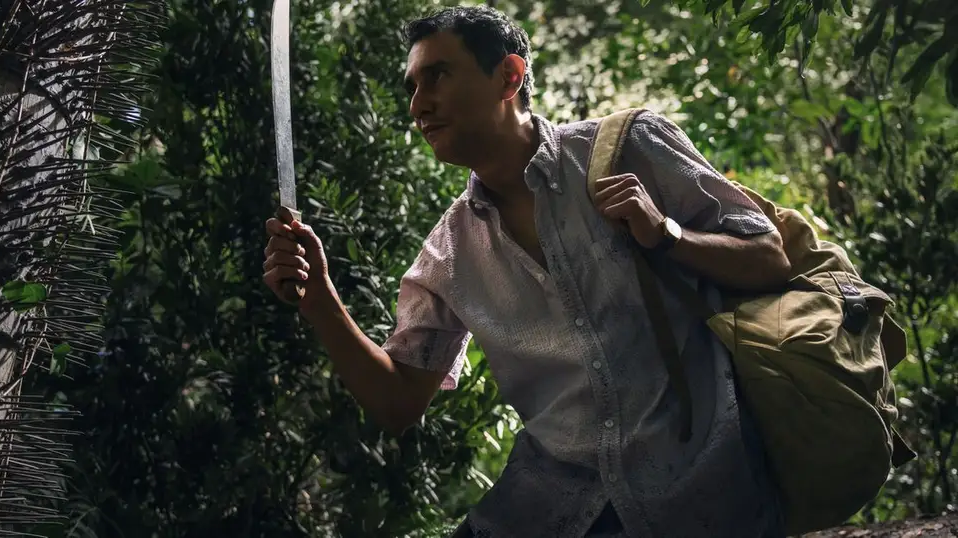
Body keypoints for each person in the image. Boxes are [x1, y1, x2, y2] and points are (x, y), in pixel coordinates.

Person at [263, 5, 792, 537]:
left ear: (509, 77)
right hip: (547, 508)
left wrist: (666, 234)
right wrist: (320, 298)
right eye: (412, 88)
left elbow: (770, 258)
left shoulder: (631, 148)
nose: (418, 105)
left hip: (703, 497)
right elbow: (398, 403)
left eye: (438, 76)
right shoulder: (449, 254)